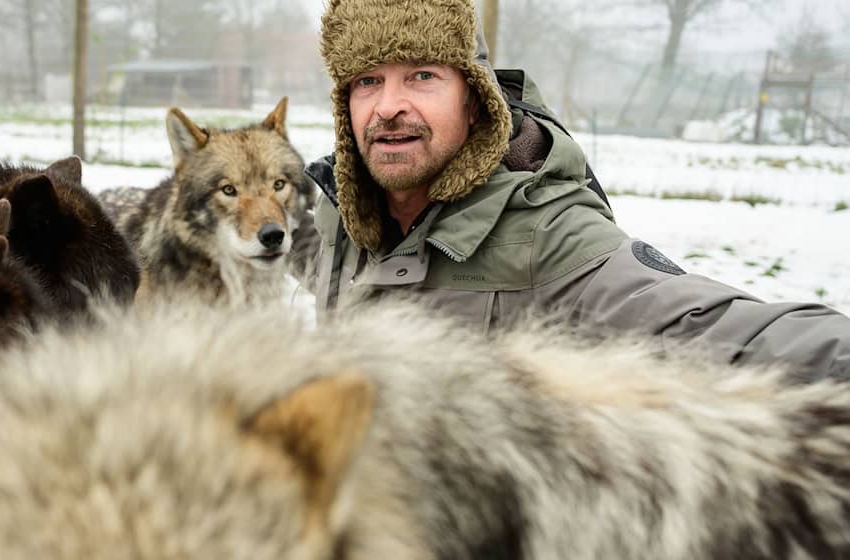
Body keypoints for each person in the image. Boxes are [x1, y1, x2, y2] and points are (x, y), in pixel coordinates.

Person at [302, 0, 850, 381]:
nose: (388, 106)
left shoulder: (548, 236)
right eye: (368, 81)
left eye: (422, 75)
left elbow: (713, 331)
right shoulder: (341, 220)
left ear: (474, 102)